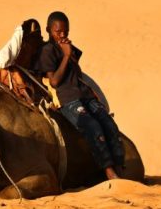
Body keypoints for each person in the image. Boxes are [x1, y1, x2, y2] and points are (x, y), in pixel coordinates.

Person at [34, 11, 125, 180]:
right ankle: (109, 171)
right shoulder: (47, 51)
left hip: (85, 95)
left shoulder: (68, 47)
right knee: (93, 127)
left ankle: (119, 166)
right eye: (58, 31)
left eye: (65, 32)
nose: (62, 35)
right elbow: (54, 81)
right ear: (48, 30)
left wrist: (69, 53)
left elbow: (77, 73)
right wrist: (67, 55)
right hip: (68, 100)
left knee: (109, 124)